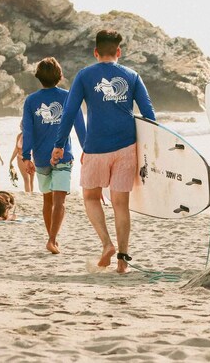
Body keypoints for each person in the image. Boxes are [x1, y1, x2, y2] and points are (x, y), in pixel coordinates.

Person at [51, 30, 155, 273]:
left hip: (96, 148)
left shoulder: (85, 75)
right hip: (126, 147)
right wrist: (152, 152)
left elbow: (68, 112)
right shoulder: (132, 75)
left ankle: (107, 244)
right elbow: (149, 114)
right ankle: (123, 260)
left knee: (90, 197)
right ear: (118, 52)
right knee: (121, 204)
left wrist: (59, 144)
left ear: (95, 52)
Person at [23, 57, 87, 254]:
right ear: (60, 76)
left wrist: (26, 156)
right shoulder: (68, 96)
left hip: (41, 158)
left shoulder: (31, 101)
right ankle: (52, 239)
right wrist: (87, 149)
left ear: (38, 77)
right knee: (60, 201)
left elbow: (28, 131)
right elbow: (79, 126)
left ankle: (52, 239)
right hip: (63, 156)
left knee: (47, 200)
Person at [9, 122, 33, 194]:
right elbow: (16, 148)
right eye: (20, 125)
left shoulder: (32, 135)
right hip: (20, 158)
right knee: (26, 178)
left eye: (22, 125)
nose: (21, 126)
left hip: (30, 158)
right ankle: (28, 194)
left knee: (31, 179)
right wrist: (11, 160)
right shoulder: (19, 136)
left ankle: (31, 194)